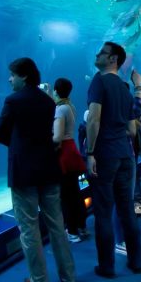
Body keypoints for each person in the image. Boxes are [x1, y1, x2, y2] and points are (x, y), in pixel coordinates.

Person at [0, 58, 76, 282]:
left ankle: (40, 280)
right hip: (49, 170)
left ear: (24, 76)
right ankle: (69, 275)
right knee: (57, 225)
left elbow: (0, 134)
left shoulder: (12, 101)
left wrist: (19, 145)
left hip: (24, 173)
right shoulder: (48, 102)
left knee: (29, 227)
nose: (10, 79)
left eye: (12, 75)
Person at [86, 42, 141, 278]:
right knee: (126, 210)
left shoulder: (99, 81)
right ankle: (136, 261)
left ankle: (107, 266)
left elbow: (94, 119)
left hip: (105, 154)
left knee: (103, 211)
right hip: (125, 154)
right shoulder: (123, 86)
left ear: (112, 59)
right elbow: (132, 129)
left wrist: (90, 152)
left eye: (101, 52)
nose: (97, 54)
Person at [52, 78, 87, 242]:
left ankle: (71, 231)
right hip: (72, 150)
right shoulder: (70, 107)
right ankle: (81, 227)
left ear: (55, 91)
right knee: (75, 192)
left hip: (63, 152)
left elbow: (58, 136)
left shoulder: (60, 109)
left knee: (65, 195)